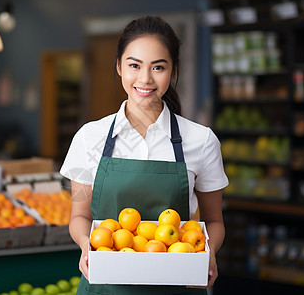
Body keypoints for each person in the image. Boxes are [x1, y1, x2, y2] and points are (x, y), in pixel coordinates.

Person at [60, 15, 228, 295]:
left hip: (178, 285)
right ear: (118, 67)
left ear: (173, 71)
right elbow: (79, 216)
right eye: (134, 65)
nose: (145, 79)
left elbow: (214, 221)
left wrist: (209, 252)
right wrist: (85, 246)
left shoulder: (201, 141)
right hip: (105, 287)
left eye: (158, 67)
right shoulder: (89, 138)